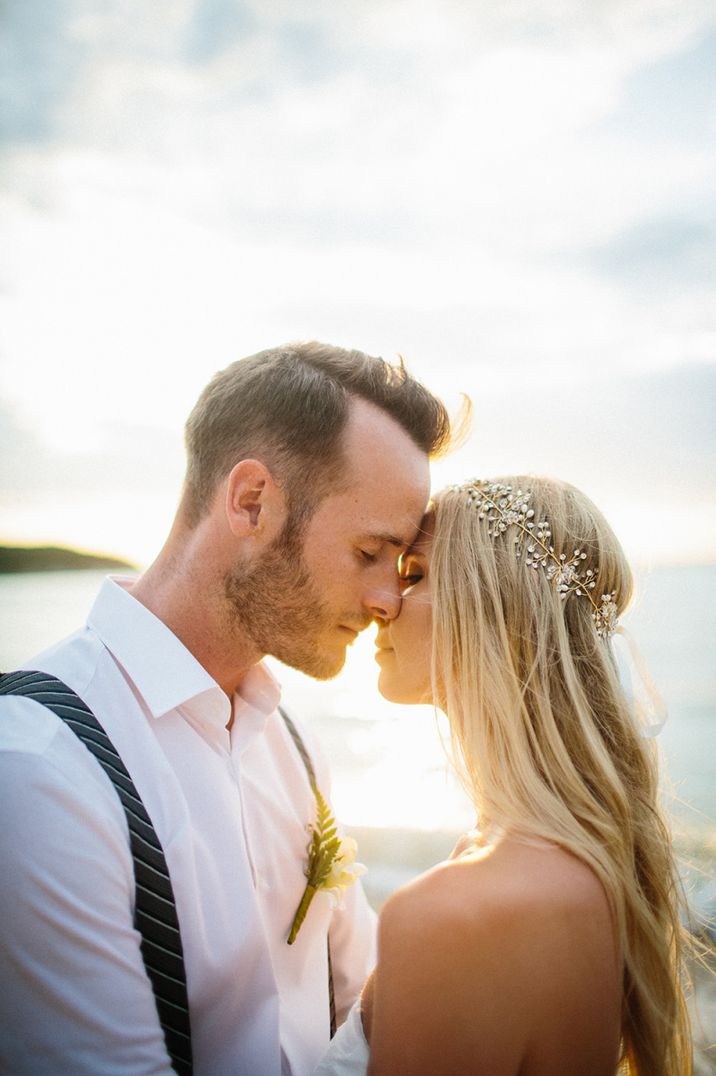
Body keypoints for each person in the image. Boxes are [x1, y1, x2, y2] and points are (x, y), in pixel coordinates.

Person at [0, 342, 454, 1075]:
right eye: (370, 551)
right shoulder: (38, 769)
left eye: (399, 566)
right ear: (252, 503)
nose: (385, 600)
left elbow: (366, 993)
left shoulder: (292, 745)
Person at [315, 476, 691, 1076]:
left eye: (413, 575)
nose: (380, 601)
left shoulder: (453, 916)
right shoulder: (596, 865)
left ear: (492, 611)